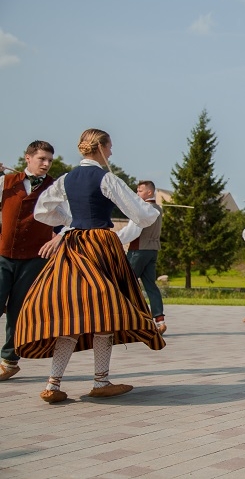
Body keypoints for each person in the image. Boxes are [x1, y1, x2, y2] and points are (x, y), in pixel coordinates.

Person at [15, 128, 166, 403]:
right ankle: (100, 381)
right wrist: (152, 210)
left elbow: (41, 211)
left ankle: (53, 383)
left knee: (72, 314)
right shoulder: (106, 177)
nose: (111, 152)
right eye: (109, 148)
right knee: (104, 313)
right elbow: (142, 215)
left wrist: (71, 221)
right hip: (100, 246)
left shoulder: (66, 178)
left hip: (73, 246)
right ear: (100, 148)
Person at [0, 141, 61, 381]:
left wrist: (60, 237)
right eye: (41, 159)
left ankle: (9, 361)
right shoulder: (6, 182)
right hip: (4, 254)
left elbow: (69, 218)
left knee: (18, 310)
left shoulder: (55, 188)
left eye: (49, 160)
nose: (46, 164)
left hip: (35, 258)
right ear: (28, 158)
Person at [116, 180, 166, 334]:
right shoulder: (157, 209)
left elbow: (133, 231)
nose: (137, 194)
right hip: (152, 251)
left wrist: (114, 239)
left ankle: (131, 321)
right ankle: (159, 321)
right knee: (150, 285)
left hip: (139, 251)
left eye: (140, 191)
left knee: (125, 284)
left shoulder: (143, 209)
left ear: (149, 192)